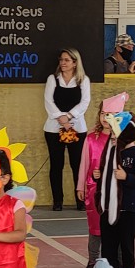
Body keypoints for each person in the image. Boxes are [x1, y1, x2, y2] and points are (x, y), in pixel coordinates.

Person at [78, 93, 128, 268]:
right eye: (103, 113)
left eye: (112, 114)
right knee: (95, 227)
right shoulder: (91, 138)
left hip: (116, 192)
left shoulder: (123, 140)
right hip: (94, 190)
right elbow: (84, 164)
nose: (106, 118)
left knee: (117, 226)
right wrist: (81, 185)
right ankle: (93, 259)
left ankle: (119, 260)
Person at [97, 112, 135, 268]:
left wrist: (126, 177)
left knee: (126, 243)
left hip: (127, 208)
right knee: (108, 243)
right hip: (108, 207)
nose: (111, 137)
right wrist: (96, 175)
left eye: (114, 133)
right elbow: (105, 177)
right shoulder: (111, 152)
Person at [42, 49, 92, 211]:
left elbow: (84, 102)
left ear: (75, 62)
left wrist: (70, 117)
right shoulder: (53, 79)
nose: (63, 63)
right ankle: (58, 201)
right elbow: (48, 101)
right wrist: (61, 119)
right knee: (56, 165)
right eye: (61, 60)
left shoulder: (83, 80)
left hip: (77, 127)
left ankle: (81, 200)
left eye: (67, 60)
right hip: (53, 128)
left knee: (77, 164)